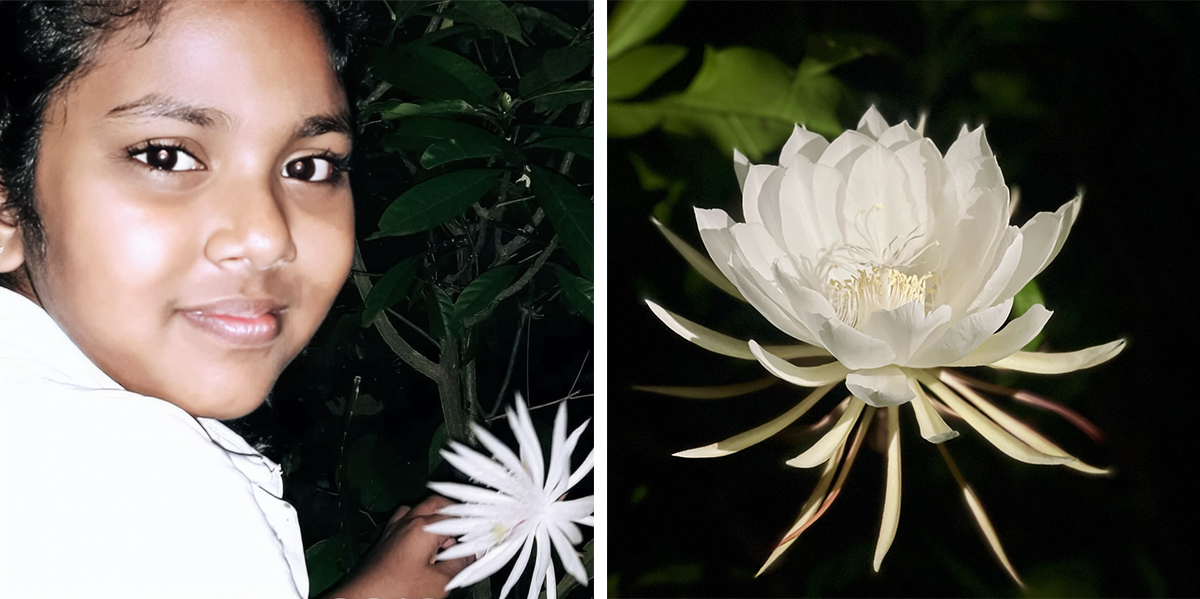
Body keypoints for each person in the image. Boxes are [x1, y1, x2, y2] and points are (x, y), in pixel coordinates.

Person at [0, 1, 468, 597]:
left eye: (310, 166)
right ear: (8, 204)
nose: (268, 237)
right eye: (166, 156)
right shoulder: (144, 489)